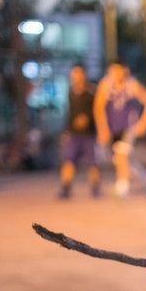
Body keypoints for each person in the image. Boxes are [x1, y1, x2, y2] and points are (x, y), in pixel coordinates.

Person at [93, 61, 146, 198]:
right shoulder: (105, 85)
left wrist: (143, 123)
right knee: (122, 159)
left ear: (125, 70)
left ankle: (122, 188)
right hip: (112, 128)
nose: (115, 74)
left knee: (121, 156)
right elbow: (98, 107)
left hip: (129, 127)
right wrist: (102, 129)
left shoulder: (132, 84)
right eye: (112, 71)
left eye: (118, 70)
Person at [58, 64, 100, 199]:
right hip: (73, 134)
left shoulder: (92, 92)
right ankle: (66, 188)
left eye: (78, 74)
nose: (76, 77)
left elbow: (98, 111)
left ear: (84, 75)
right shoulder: (71, 92)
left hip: (88, 134)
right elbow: (70, 113)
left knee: (92, 163)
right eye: (74, 74)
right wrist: (66, 131)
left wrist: (88, 119)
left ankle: (95, 189)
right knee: (68, 161)